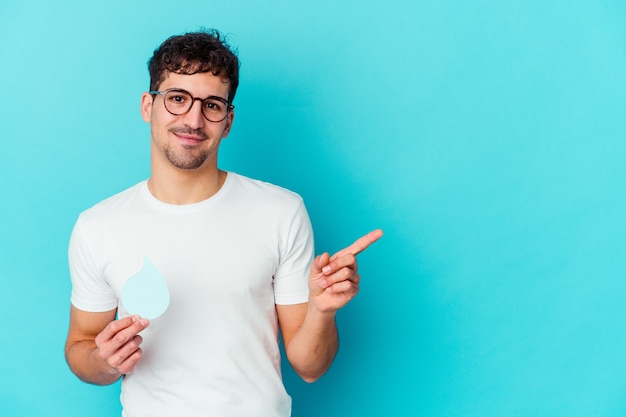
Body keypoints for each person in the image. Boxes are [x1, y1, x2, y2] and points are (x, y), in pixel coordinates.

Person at [64, 29, 383, 417]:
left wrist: (322, 310)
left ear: (227, 121)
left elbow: (310, 367)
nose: (193, 120)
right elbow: (80, 346)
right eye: (177, 99)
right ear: (148, 106)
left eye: (212, 105)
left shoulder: (281, 211)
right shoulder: (98, 226)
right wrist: (104, 360)